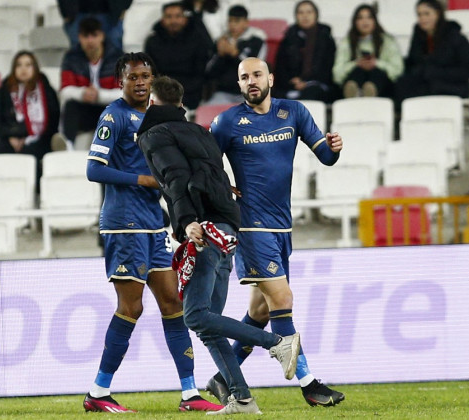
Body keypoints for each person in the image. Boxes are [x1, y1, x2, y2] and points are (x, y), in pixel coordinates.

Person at [136, 75, 301, 415]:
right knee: (210, 325)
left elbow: (174, 178)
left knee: (196, 317)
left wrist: (186, 222)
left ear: (151, 104)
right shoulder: (199, 131)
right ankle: (241, 399)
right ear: (180, 105)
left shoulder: (154, 135)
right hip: (226, 230)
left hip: (204, 231)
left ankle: (278, 343)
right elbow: (212, 174)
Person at [82, 52, 221, 413]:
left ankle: (189, 393)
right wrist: (140, 179)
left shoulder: (157, 118)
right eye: (133, 77)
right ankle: (98, 391)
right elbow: (94, 170)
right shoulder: (113, 116)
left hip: (154, 223)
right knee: (131, 306)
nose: (141, 82)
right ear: (120, 82)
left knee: (173, 303)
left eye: (146, 76)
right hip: (123, 222)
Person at [207, 57, 345, 407]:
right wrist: (224, 185)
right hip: (251, 227)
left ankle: (224, 376)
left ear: (270, 77)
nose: (251, 81)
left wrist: (334, 147)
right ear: (238, 85)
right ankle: (309, 383)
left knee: (262, 311)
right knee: (282, 301)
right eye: (243, 77)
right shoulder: (228, 121)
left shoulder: (293, 112)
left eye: (256, 74)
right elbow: (205, 165)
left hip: (282, 226)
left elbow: (325, 157)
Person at [394, 0, 469, 105]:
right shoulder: (419, 35)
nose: (422, 18)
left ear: (438, 14)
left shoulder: (456, 37)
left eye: (427, 14)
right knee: (399, 83)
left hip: (452, 85)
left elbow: (466, 71)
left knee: (417, 89)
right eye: (419, 15)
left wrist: (434, 72)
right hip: (425, 81)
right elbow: (413, 61)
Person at [59, 17, 122, 146]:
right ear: (79, 38)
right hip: (84, 109)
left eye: (94, 35)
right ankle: (67, 146)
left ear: (102, 36)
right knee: (70, 106)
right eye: (85, 36)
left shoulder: (119, 58)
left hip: (108, 109)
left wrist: (99, 95)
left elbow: (125, 94)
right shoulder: (71, 58)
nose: (90, 40)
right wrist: (82, 93)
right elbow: (64, 91)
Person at [0, 51, 60, 160]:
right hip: (9, 137)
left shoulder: (45, 89)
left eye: (28, 65)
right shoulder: (5, 90)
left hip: (40, 138)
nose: (23, 69)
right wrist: (10, 137)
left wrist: (29, 137)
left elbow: (54, 119)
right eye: (19, 65)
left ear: (35, 68)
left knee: (30, 153)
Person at [144, 2, 211, 110]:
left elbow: (200, 73)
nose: (173, 21)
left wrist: (178, 92)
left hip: (189, 94)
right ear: (162, 20)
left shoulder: (198, 40)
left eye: (178, 16)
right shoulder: (153, 41)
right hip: (160, 93)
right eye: (169, 17)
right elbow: (150, 73)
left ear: (185, 19)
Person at [332, 4, 403, 98]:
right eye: (360, 18)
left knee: (376, 73)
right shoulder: (347, 42)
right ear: (355, 22)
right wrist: (356, 64)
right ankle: (353, 92)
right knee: (358, 72)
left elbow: (398, 70)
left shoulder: (387, 41)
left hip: (383, 86)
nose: (365, 21)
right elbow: (337, 74)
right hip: (355, 76)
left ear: (375, 21)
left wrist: (376, 63)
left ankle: (371, 90)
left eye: (369, 17)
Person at [273, 0, 338, 102]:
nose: (305, 16)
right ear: (296, 16)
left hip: (317, 84)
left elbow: (328, 67)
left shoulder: (325, 38)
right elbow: (280, 67)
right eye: (301, 12)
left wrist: (307, 82)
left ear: (316, 15)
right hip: (290, 85)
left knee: (311, 94)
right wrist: (292, 81)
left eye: (309, 12)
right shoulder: (289, 38)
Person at [204, 4, 266, 105]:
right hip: (223, 93)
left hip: (250, 93)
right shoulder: (221, 41)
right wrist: (220, 55)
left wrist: (235, 54)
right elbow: (208, 72)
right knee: (208, 112)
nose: (232, 25)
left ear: (246, 23)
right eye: (230, 21)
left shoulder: (256, 41)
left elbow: (256, 71)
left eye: (236, 21)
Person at [57, 0, 131, 51]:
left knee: (114, 53)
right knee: (77, 57)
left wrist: (123, 6)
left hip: (110, 12)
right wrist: (65, 10)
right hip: (76, 12)